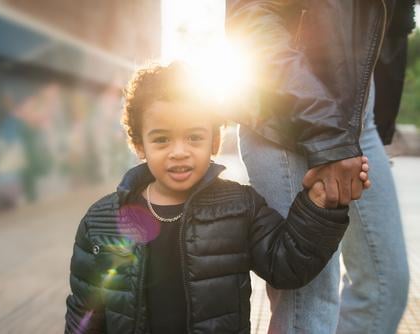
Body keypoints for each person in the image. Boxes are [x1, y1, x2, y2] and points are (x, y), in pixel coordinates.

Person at [64, 62, 370, 333]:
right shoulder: (103, 220)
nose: (179, 151)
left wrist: (320, 204)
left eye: (194, 137)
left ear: (214, 140)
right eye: (161, 139)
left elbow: (287, 263)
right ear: (139, 143)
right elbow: (86, 311)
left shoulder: (240, 206)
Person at [226, 1, 414, 333]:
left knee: (385, 287)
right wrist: (328, 136)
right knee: (309, 303)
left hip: (359, 117)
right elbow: (253, 17)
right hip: (286, 114)